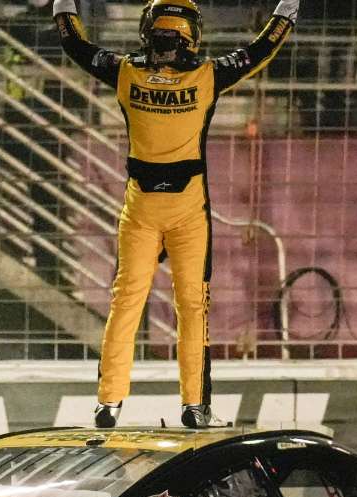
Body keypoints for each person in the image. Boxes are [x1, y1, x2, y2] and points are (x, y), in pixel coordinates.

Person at [52, 0, 298, 428]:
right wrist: (286, 15)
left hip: (140, 209)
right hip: (188, 211)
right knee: (193, 308)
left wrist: (62, 7)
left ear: (149, 31)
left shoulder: (125, 71)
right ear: (191, 33)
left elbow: (75, 45)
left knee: (126, 303)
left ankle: (108, 403)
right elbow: (259, 51)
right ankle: (195, 406)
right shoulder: (208, 76)